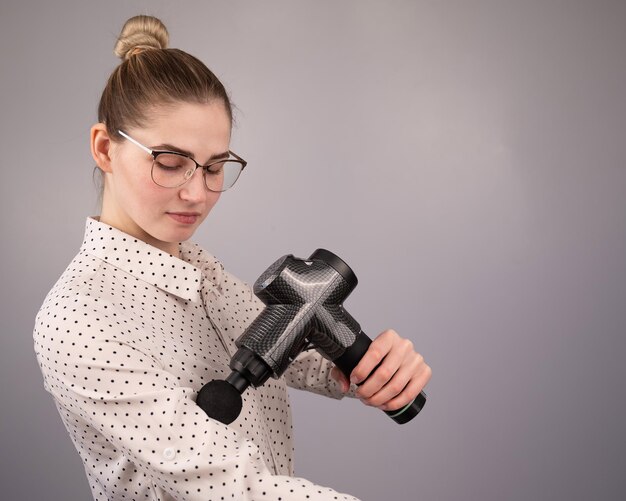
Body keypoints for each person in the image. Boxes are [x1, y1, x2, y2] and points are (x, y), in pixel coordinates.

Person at [33, 15, 432, 501]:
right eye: (170, 162)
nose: (196, 194)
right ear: (104, 148)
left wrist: (365, 369)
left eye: (216, 167)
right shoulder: (76, 321)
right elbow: (231, 486)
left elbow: (285, 347)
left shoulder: (200, 269)